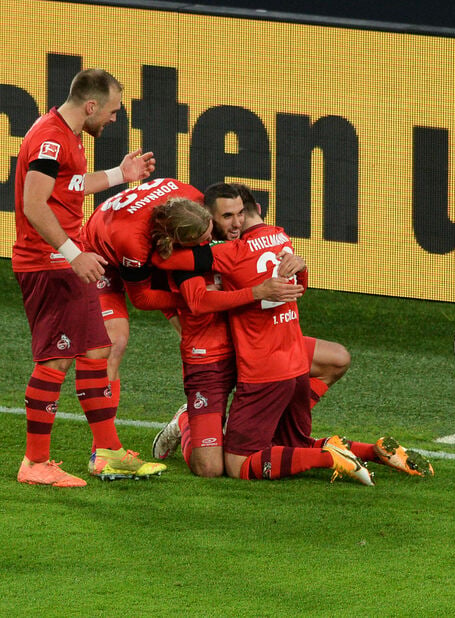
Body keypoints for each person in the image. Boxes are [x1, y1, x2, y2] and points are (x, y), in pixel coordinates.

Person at [152, 183, 433, 479]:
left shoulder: (235, 249)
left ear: (251, 212)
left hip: (257, 358)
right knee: (211, 467)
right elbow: (188, 298)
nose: (236, 223)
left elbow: (290, 285)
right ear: (208, 219)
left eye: (240, 215)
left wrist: (294, 273)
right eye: (227, 217)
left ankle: (335, 450)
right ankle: (187, 420)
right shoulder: (221, 248)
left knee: (334, 362)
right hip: (214, 356)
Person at [12, 68, 163, 486]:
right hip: (49, 264)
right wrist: (74, 254)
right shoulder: (50, 139)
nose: (114, 119)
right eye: (112, 111)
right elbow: (34, 204)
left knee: (97, 350)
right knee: (56, 359)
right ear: (91, 105)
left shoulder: (68, 135)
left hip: (63, 263)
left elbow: (71, 186)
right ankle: (35, 463)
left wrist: (120, 175)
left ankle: (108, 453)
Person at [83, 178, 301, 444]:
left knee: (200, 324)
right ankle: (105, 449)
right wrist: (197, 300)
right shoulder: (135, 245)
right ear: (177, 241)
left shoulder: (195, 203)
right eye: (204, 240)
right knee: (115, 341)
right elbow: (142, 298)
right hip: (101, 254)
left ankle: (207, 418)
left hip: (141, 234)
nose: (211, 241)